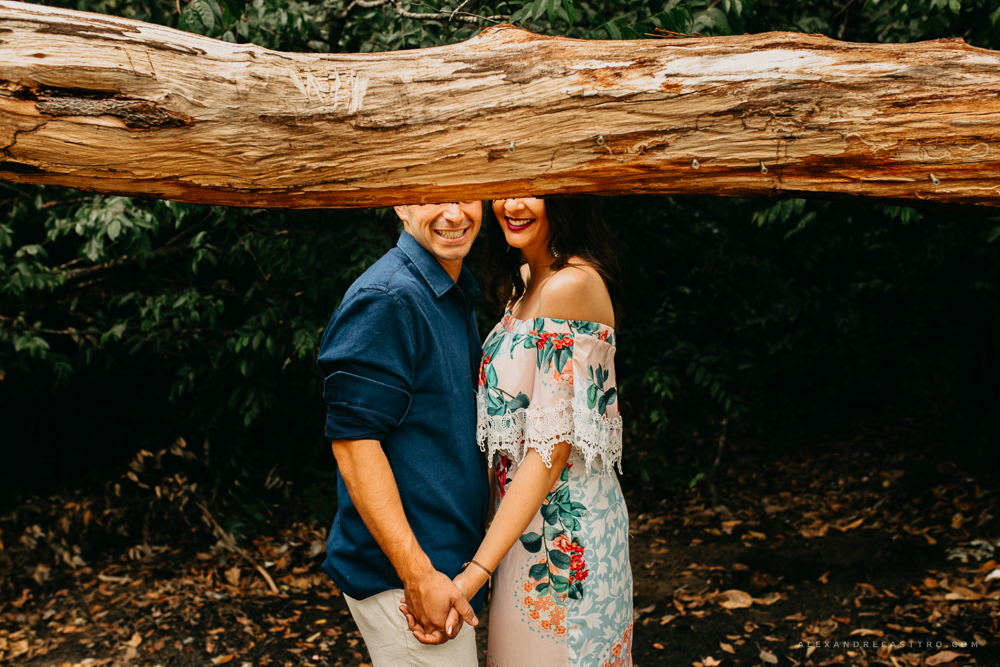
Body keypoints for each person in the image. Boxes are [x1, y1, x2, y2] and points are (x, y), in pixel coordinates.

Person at [403, 196, 634, 666]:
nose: (512, 204)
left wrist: (473, 574)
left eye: (532, 189)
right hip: (518, 525)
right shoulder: (527, 280)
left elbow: (549, 455)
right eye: (506, 189)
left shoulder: (570, 285)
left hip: (565, 535)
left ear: (564, 195)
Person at [317, 201, 489, 667]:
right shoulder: (388, 298)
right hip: (406, 581)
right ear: (401, 204)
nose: (453, 214)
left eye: (466, 194)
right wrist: (419, 575)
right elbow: (354, 446)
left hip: (444, 565)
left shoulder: (450, 289)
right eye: (432, 195)